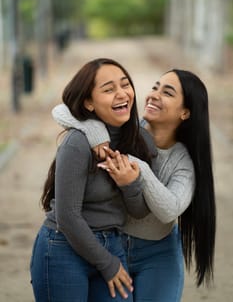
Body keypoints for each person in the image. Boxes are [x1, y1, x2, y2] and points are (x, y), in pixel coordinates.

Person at [52, 68, 216, 302]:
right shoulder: (127, 128)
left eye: (167, 93)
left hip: (158, 255)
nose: (154, 95)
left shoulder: (185, 162)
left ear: (185, 112)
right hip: (109, 244)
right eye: (155, 87)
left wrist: (139, 169)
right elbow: (62, 110)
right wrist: (94, 129)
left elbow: (169, 209)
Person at [30, 58, 159, 302]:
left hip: (112, 242)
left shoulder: (140, 140)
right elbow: (68, 216)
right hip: (62, 247)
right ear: (89, 102)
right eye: (109, 89)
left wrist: (128, 184)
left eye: (125, 85)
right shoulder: (78, 143)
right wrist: (107, 264)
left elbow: (140, 211)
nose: (122, 94)